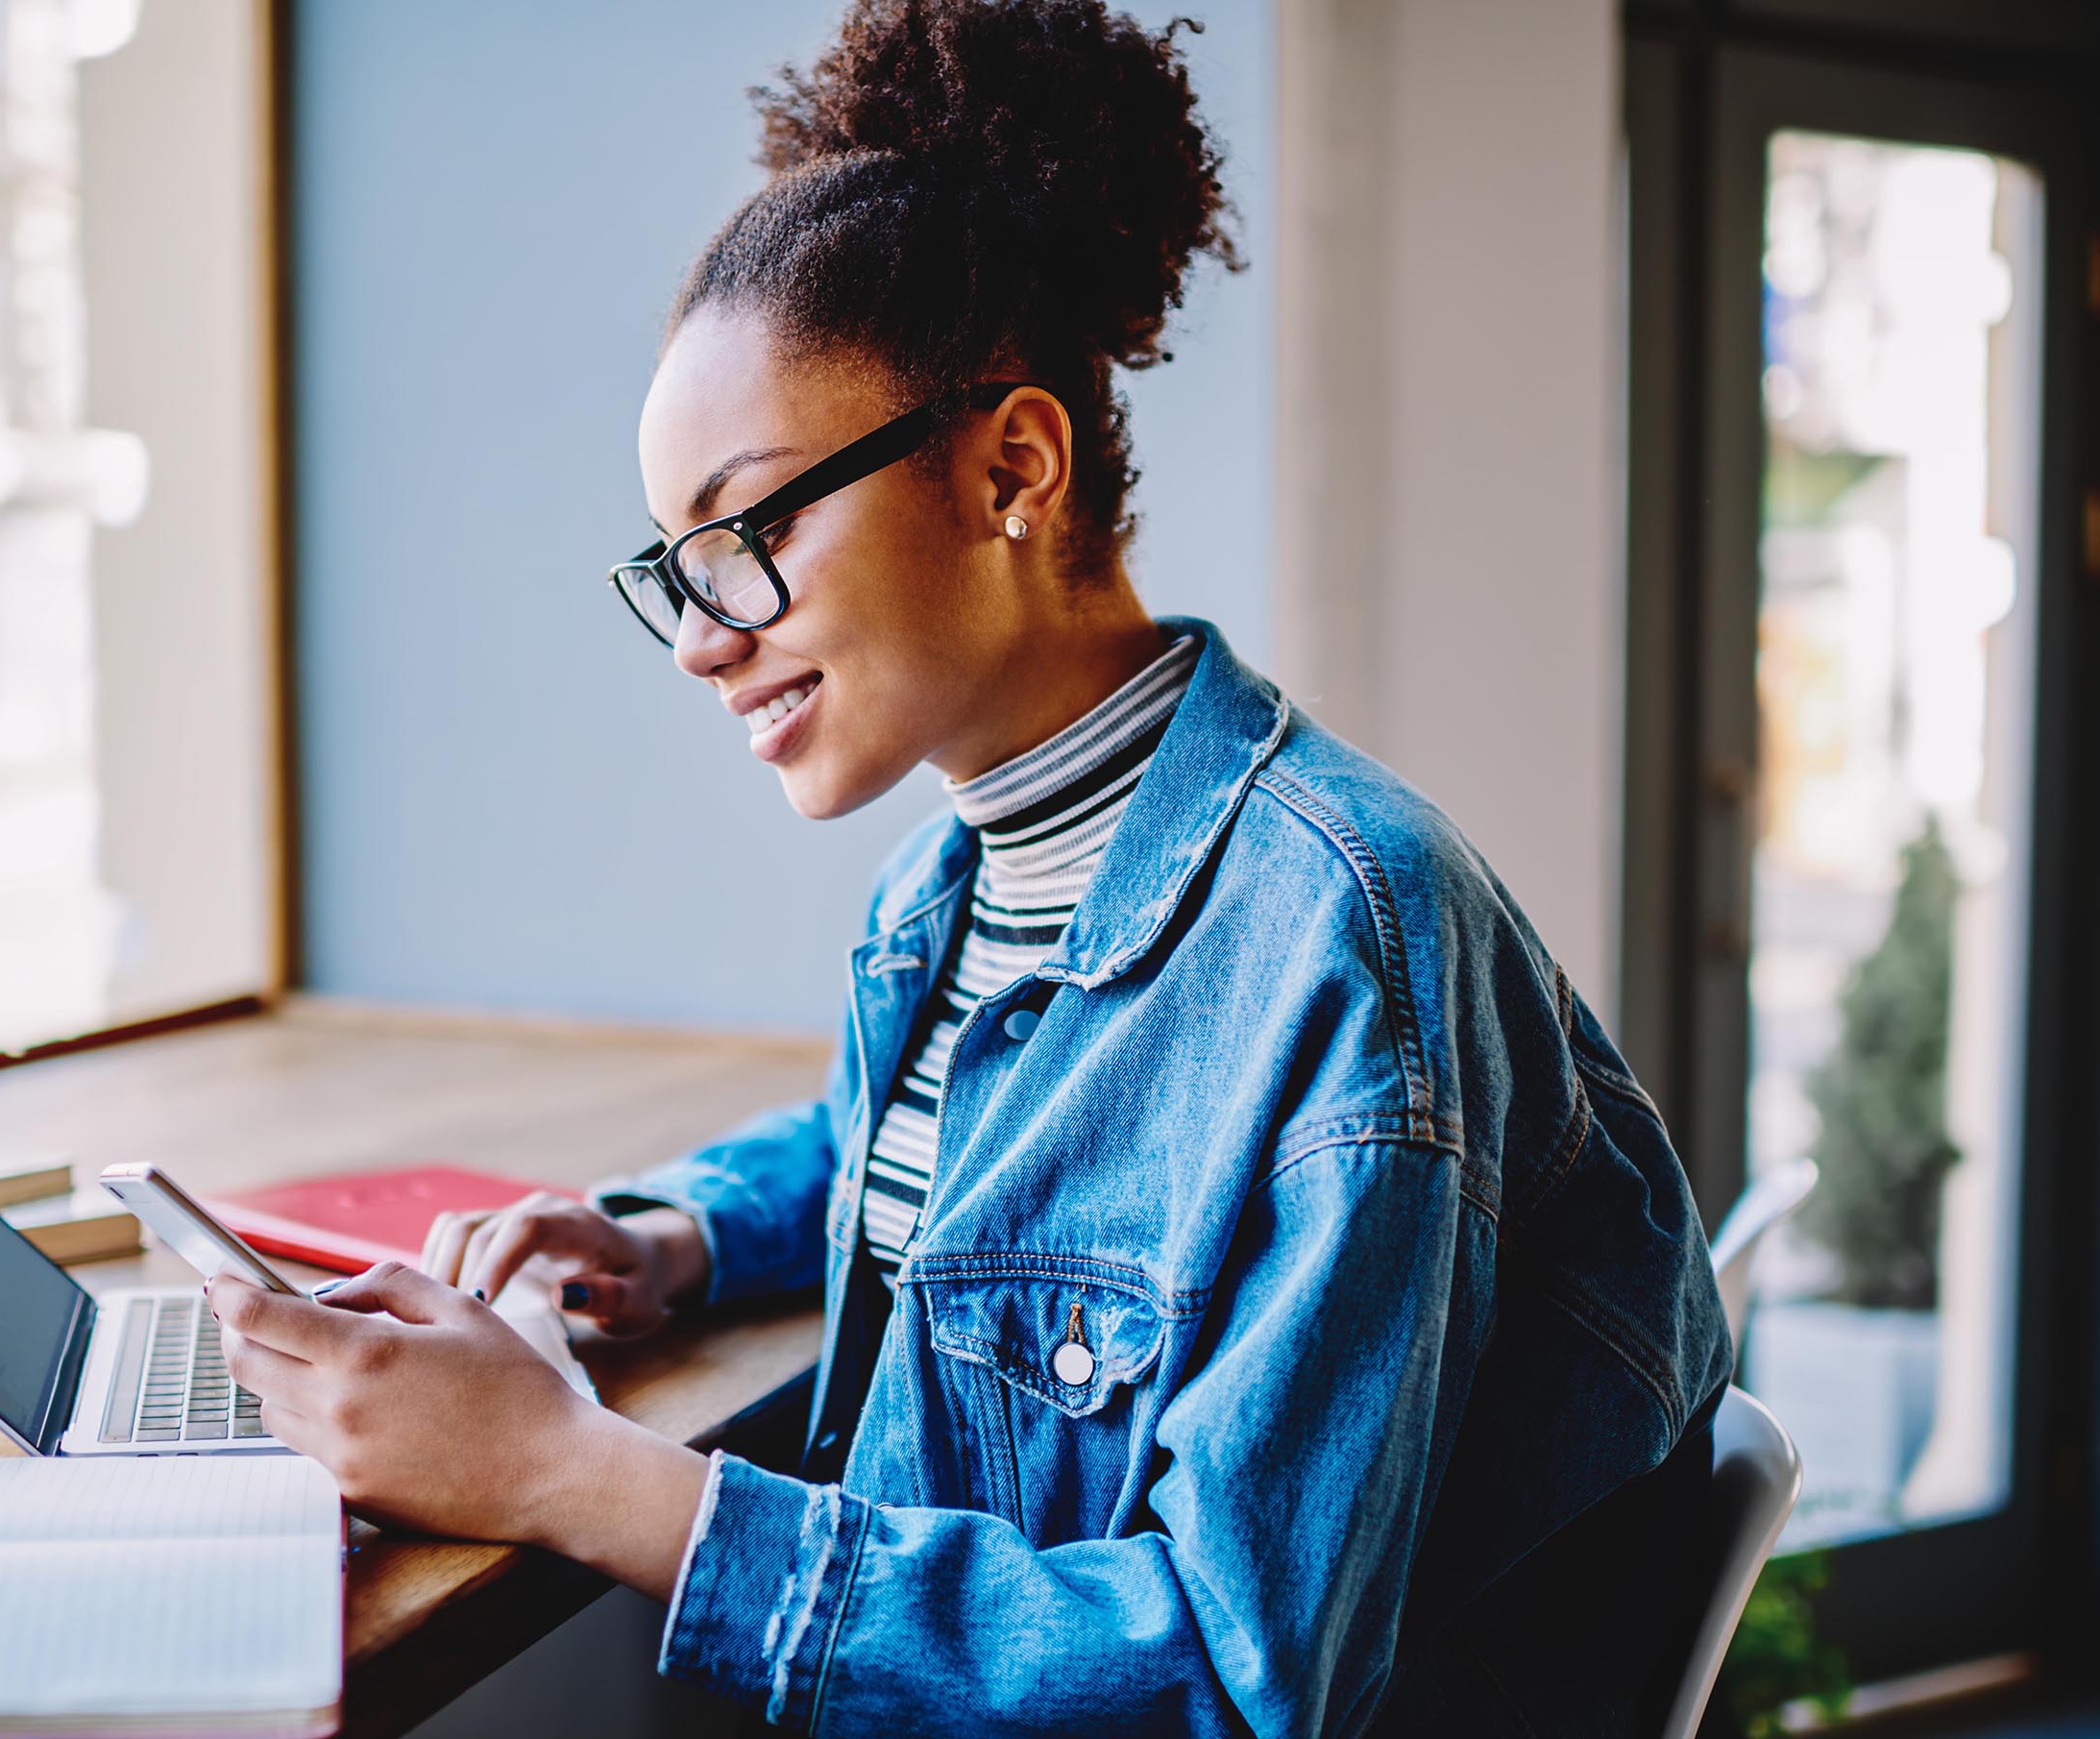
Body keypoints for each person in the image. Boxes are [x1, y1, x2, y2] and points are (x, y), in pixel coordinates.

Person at [213, 3, 1732, 1732]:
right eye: (677, 566)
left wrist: (571, 1475)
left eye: (753, 530)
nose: (704, 639)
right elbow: (967, 1161)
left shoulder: (1348, 939)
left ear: (1012, 468)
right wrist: (674, 1239)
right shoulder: (955, 889)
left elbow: (1232, 1686)